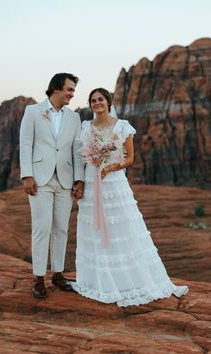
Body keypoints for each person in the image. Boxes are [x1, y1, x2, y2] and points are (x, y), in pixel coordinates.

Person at [71, 88, 188, 307]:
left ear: (108, 102)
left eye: (100, 99)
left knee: (121, 228)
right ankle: (99, 281)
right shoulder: (85, 127)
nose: (97, 103)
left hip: (113, 182)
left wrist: (112, 166)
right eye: (93, 100)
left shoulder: (122, 126)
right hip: (91, 181)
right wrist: (82, 180)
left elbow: (130, 158)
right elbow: (81, 158)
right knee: (93, 229)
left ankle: (127, 281)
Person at [20, 73, 84, 298]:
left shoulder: (74, 118)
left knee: (61, 229)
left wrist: (80, 179)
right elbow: (25, 145)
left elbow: (77, 151)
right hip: (39, 180)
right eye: (69, 89)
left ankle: (57, 274)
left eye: (73, 90)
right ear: (56, 88)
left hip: (65, 180)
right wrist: (27, 175)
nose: (72, 94)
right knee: (42, 228)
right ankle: (38, 277)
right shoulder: (33, 112)